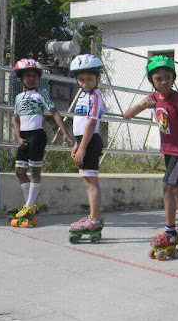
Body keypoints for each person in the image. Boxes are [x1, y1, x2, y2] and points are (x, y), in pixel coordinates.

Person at [123, 55, 178, 255]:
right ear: (152, 81)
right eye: (159, 79)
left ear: (173, 78)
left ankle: (170, 232)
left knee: (167, 187)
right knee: (177, 188)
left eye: (167, 77)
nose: (164, 81)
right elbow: (126, 115)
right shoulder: (153, 99)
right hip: (168, 151)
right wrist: (142, 105)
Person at [10, 58, 73, 220]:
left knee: (34, 170)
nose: (31, 79)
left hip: (37, 135)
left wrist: (64, 132)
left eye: (34, 76)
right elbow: (16, 119)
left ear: (38, 78)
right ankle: (29, 204)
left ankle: (29, 206)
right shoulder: (18, 98)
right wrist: (18, 137)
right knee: (19, 171)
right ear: (21, 78)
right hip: (23, 137)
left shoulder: (41, 94)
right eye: (27, 76)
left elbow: (54, 113)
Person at [68, 54, 107, 235]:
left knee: (91, 182)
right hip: (83, 141)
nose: (85, 83)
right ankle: (93, 216)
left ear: (98, 78)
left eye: (90, 79)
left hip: (90, 142)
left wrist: (83, 147)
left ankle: (95, 220)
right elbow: (80, 123)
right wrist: (77, 144)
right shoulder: (84, 95)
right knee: (87, 180)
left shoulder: (96, 96)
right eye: (81, 79)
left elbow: (91, 124)